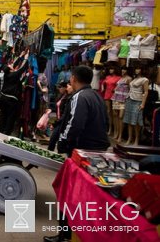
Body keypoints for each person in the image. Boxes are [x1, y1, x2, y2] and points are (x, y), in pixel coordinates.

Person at [44, 66, 110, 242]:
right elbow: (107, 123)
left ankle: (65, 235)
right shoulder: (97, 96)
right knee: (89, 195)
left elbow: (74, 125)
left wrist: (63, 143)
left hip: (82, 152)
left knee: (69, 193)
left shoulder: (79, 97)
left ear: (73, 79)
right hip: (99, 151)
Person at [0, 49, 29, 135]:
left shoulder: (6, 74)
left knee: (3, 115)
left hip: (3, 98)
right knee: (10, 117)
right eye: (10, 66)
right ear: (10, 69)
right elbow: (22, 68)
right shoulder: (14, 75)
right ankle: (6, 132)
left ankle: (1, 130)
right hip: (11, 100)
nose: (11, 65)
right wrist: (26, 58)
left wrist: (20, 56)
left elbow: (13, 65)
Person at [123, 66, 149, 145]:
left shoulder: (145, 79)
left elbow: (146, 92)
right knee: (129, 120)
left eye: (138, 68)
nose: (137, 70)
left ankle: (136, 140)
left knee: (136, 121)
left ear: (142, 70)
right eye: (136, 69)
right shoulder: (134, 79)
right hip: (129, 100)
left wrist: (143, 104)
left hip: (137, 101)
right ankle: (129, 138)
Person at [47, 82, 72, 151]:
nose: (59, 88)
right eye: (58, 87)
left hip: (62, 122)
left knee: (55, 140)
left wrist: (55, 123)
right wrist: (52, 122)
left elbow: (64, 113)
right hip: (58, 121)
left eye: (60, 87)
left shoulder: (68, 98)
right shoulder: (61, 96)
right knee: (53, 140)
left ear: (65, 88)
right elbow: (56, 110)